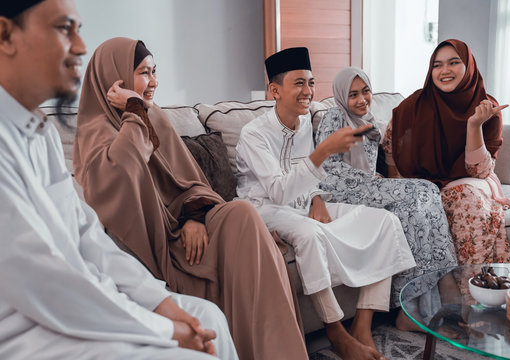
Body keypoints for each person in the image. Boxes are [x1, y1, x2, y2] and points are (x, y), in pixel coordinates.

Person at [0, 1, 237, 359]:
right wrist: (164, 329)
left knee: (208, 318)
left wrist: (161, 303)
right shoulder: (93, 130)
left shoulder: (40, 135)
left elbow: (86, 236)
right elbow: (44, 279)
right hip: (29, 327)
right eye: (65, 29)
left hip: (77, 299)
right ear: (6, 35)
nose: (81, 46)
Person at [73, 37, 308, 360]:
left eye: (155, 71)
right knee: (245, 225)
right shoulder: (97, 131)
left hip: (186, 225)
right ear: (114, 79)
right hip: (155, 243)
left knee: (242, 214)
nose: (154, 82)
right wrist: (134, 110)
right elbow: (121, 178)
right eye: (144, 72)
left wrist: (193, 217)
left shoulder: (153, 117)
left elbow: (190, 181)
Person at [236, 47, 416, 360]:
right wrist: (324, 151)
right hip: (264, 209)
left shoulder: (304, 123)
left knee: (386, 221)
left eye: (311, 82)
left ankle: (362, 324)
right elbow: (278, 191)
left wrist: (318, 197)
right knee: (310, 234)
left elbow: (307, 179)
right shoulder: (254, 134)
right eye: (299, 84)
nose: (308, 92)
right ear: (274, 90)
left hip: (303, 204)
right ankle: (336, 332)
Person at [315, 67, 458, 330]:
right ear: (340, 97)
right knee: (423, 189)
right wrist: (370, 181)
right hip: (339, 190)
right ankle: (443, 288)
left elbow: (369, 166)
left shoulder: (367, 123)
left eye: (365, 91)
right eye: (352, 94)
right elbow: (327, 166)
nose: (361, 99)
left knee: (415, 203)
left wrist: (376, 178)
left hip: (365, 187)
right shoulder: (334, 116)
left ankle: (415, 307)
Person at [382, 39, 510, 266]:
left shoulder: (487, 107)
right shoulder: (413, 107)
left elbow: (479, 171)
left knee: (463, 197)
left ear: (468, 66)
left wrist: (474, 125)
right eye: (437, 65)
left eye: (453, 62)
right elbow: (392, 149)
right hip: (424, 184)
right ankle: (441, 290)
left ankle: (475, 289)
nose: (444, 71)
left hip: (470, 180)